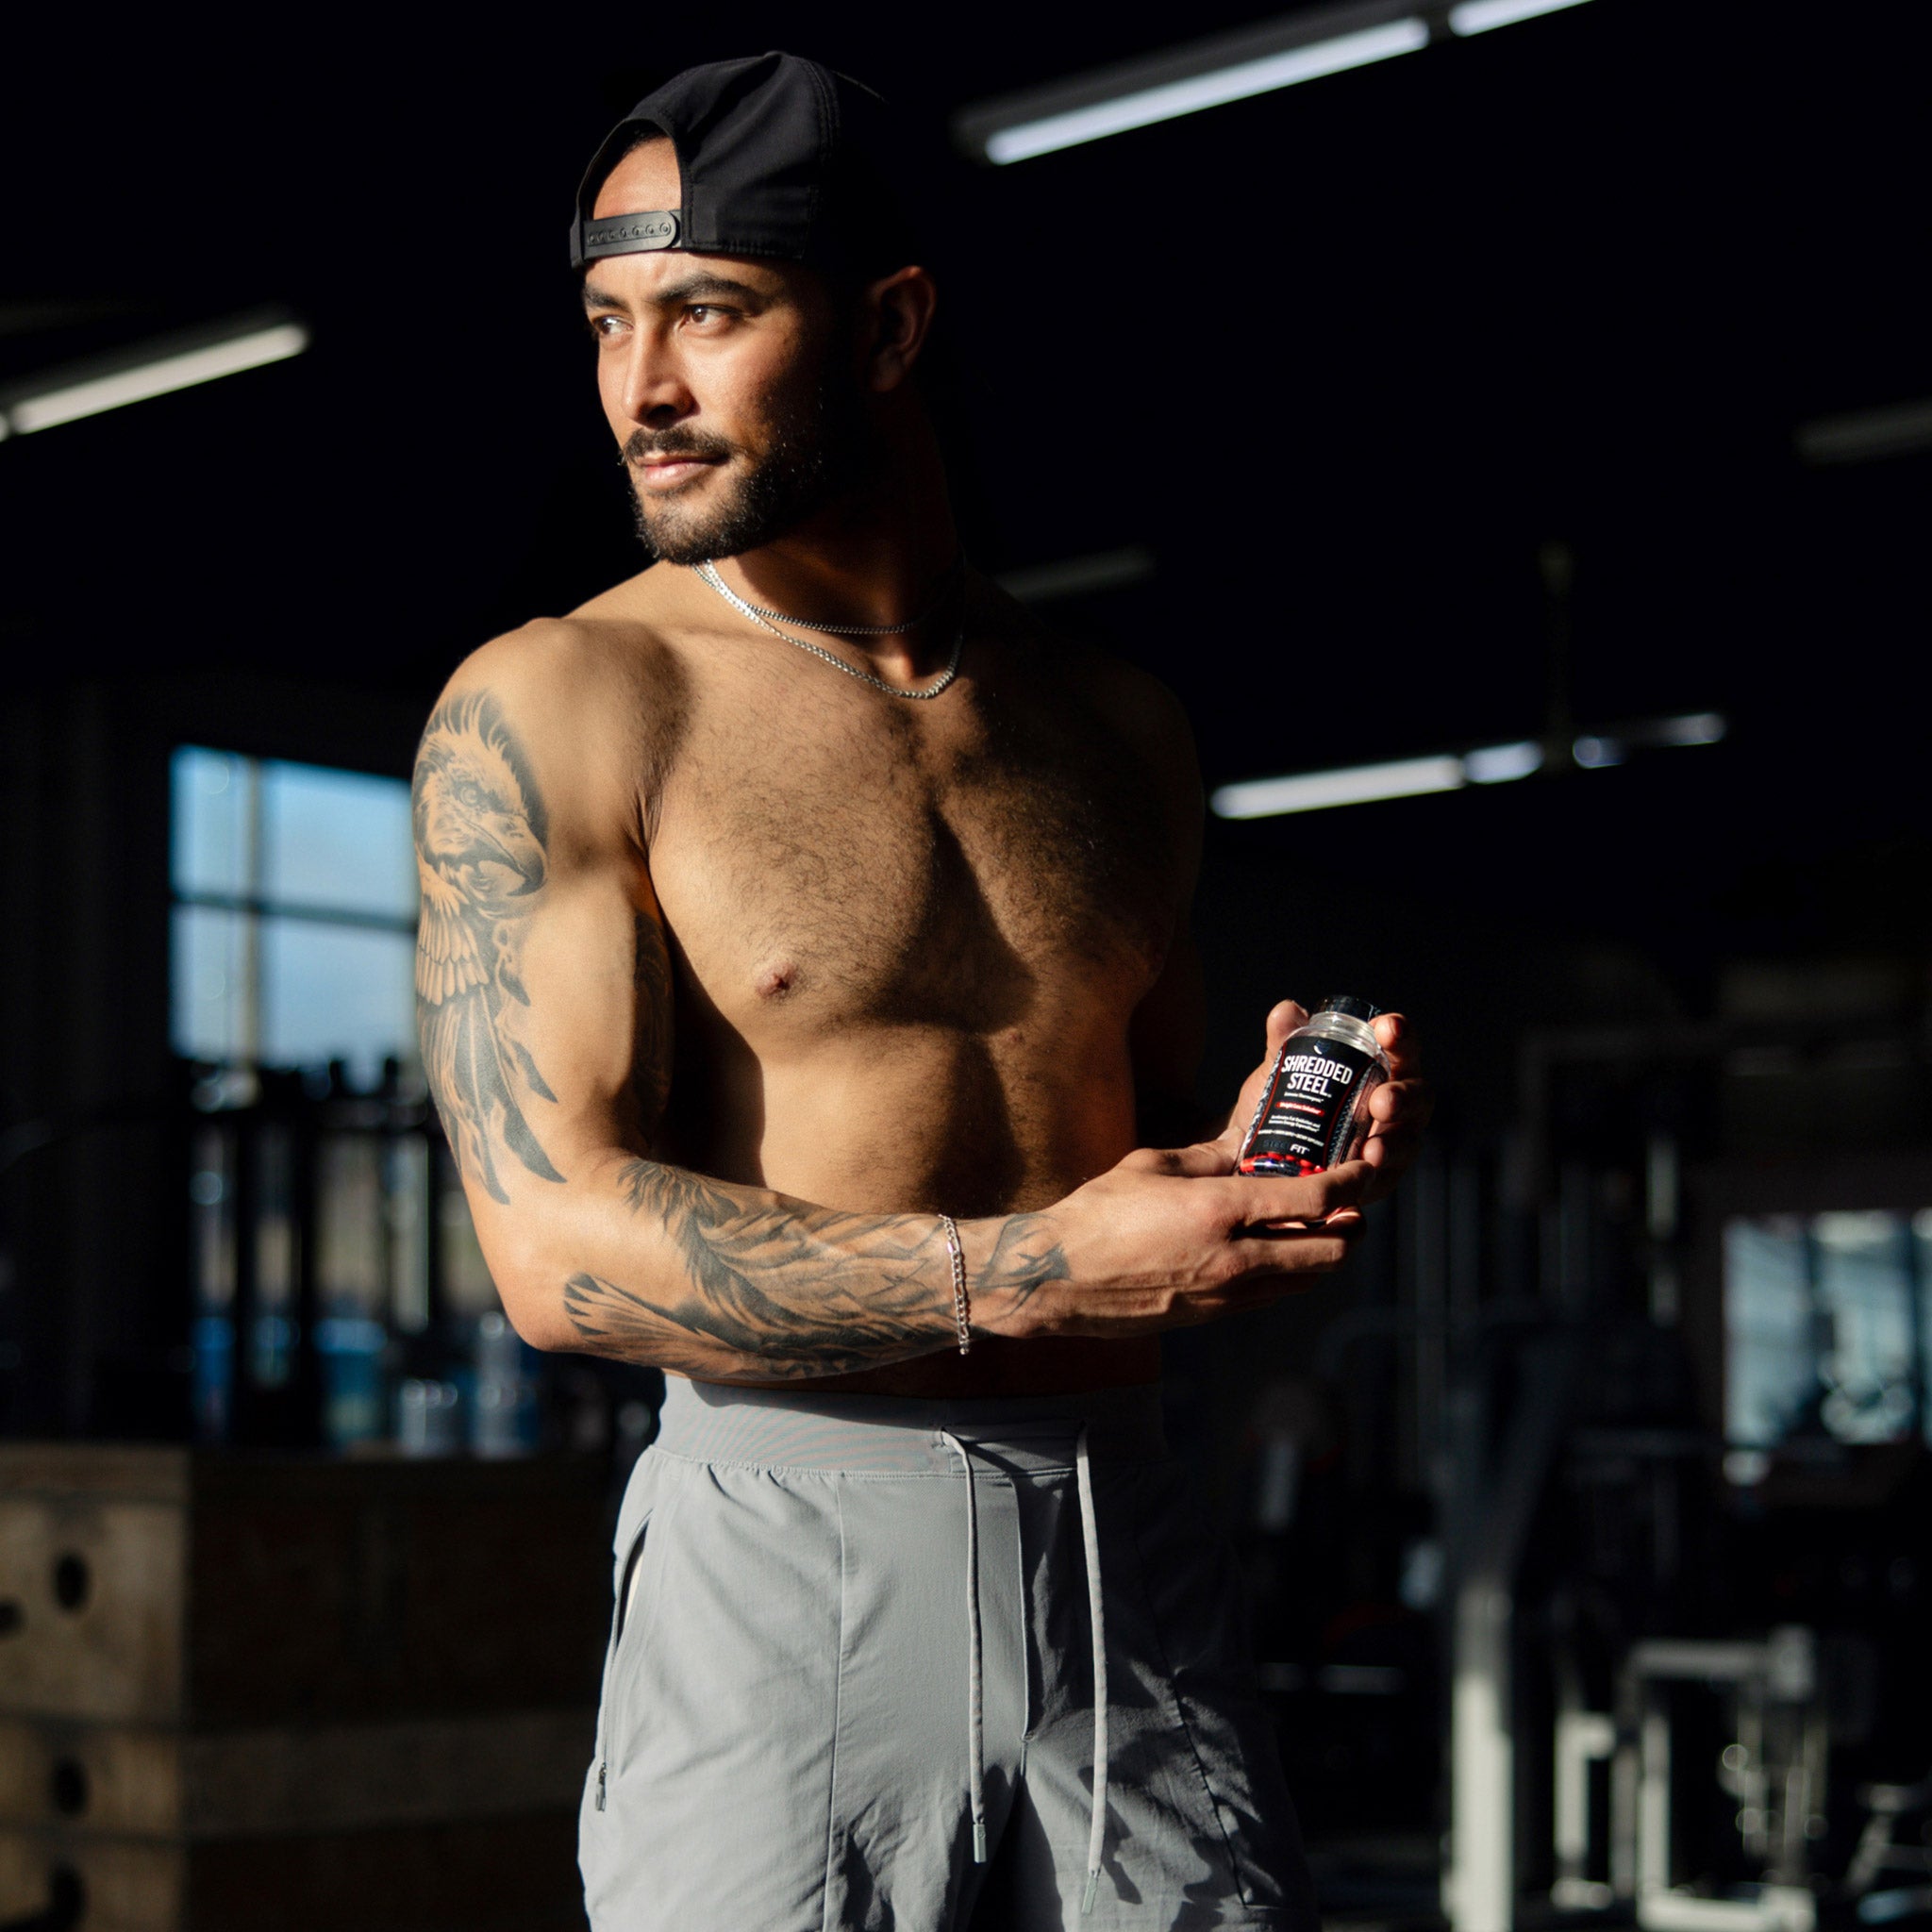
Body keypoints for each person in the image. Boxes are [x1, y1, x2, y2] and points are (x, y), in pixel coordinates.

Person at [413, 51, 1430, 1931]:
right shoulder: (564, 701)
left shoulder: (1117, 729)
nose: (641, 386)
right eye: (608, 323)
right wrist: (1037, 1265)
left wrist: (1247, 1176)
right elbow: (549, 1251)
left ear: (887, 328)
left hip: (1130, 1558)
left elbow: (1105, 1180)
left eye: (710, 313)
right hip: (792, 1551)